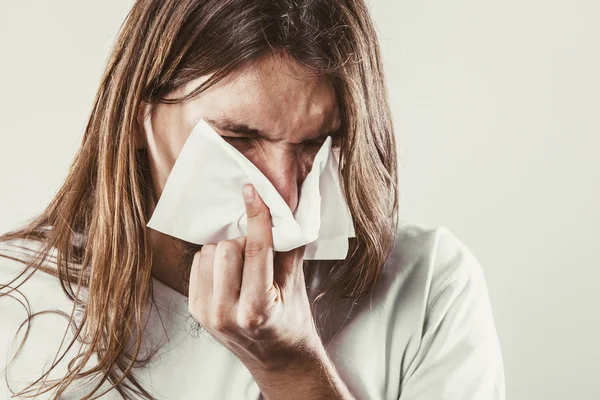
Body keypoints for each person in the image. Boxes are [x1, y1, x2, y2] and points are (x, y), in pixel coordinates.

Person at [0, 0, 505, 399]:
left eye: (314, 143)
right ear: (137, 115)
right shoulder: (16, 301)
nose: (282, 192)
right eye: (238, 139)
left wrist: (292, 370)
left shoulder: (429, 287)